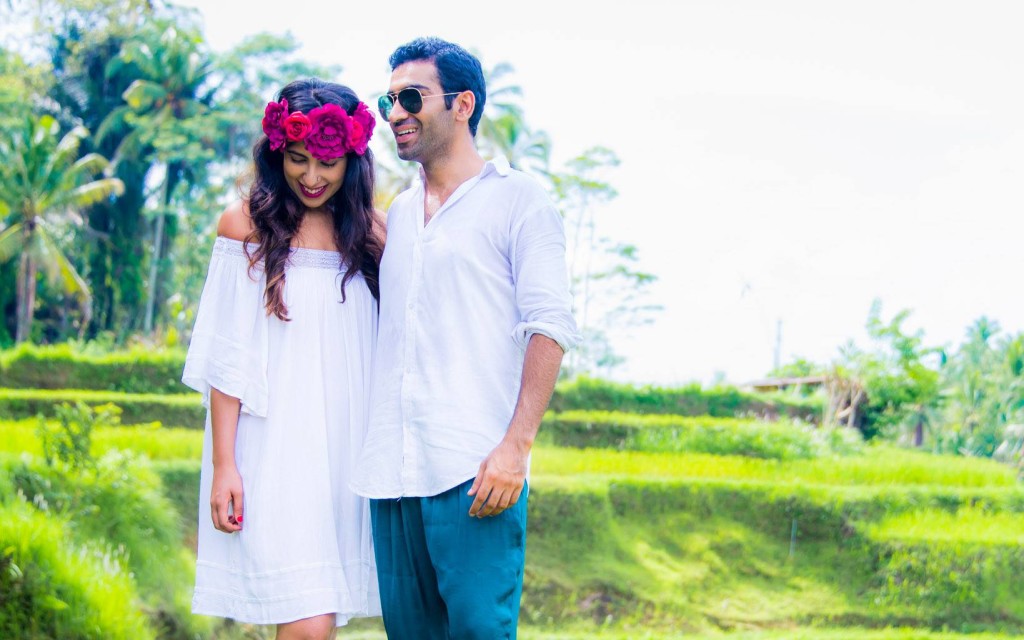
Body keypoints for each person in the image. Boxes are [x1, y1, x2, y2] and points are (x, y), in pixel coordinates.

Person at [351, 38, 579, 639]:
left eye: (410, 97)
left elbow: (549, 325)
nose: (394, 112)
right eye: (388, 100)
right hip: (393, 476)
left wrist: (516, 447)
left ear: (462, 104)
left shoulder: (519, 200)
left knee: (480, 632)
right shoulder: (396, 215)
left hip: (475, 473)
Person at [182, 78, 383, 640]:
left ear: (353, 161)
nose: (312, 177)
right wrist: (226, 464)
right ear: (278, 152)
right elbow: (227, 355)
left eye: (328, 162)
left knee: (320, 620)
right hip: (271, 446)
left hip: (348, 449)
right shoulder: (243, 225)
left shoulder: (374, 236)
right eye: (298, 159)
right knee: (308, 624)